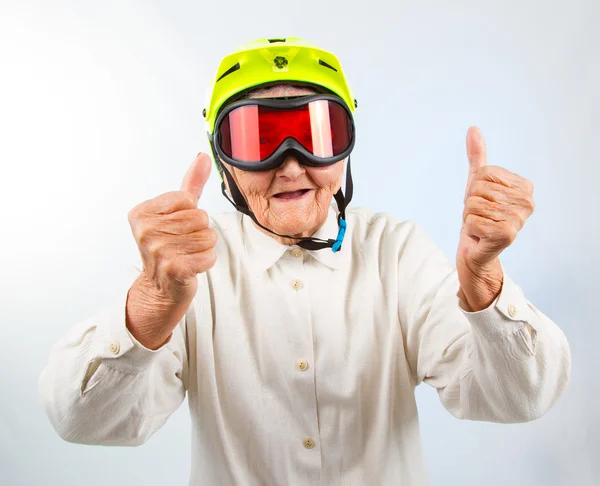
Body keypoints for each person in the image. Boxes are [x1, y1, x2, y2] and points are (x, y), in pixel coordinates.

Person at [39, 37, 571, 486]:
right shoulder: (187, 269)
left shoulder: (396, 251)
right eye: (259, 138)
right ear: (224, 163)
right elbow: (81, 421)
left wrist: (482, 280)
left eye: (316, 134)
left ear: (344, 150)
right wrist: (153, 304)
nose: (290, 164)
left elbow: (519, 399)